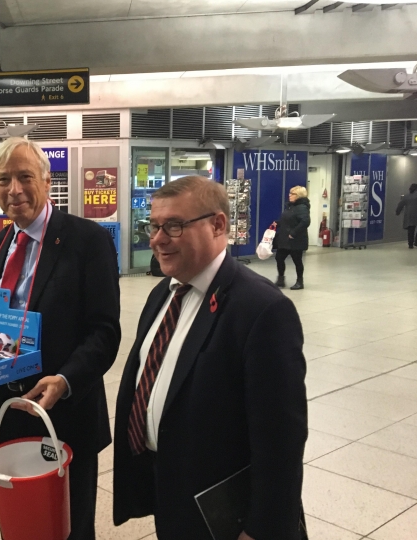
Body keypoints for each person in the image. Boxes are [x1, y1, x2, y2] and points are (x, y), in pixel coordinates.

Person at [112, 176, 307, 540]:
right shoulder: (162, 296)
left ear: (218, 225)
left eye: (173, 225)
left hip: (224, 512)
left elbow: (281, 442)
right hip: (172, 492)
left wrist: (263, 531)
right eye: (153, 226)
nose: (156, 239)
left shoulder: (262, 310)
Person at [0, 137, 121, 540]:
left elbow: (105, 331)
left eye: (24, 177)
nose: (14, 190)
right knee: (20, 520)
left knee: (67, 525)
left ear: (47, 179)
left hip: (62, 408)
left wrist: (65, 380)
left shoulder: (87, 240)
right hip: (6, 404)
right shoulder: (1, 242)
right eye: (3, 180)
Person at [274, 185, 311, 290]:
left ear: (298, 195)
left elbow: (305, 222)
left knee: (297, 260)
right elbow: (288, 220)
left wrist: (293, 233)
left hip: (296, 239)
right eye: (290, 193)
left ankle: (300, 282)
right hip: (285, 239)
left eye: (292, 194)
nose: (289, 195)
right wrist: (277, 223)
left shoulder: (302, 207)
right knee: (279, 258)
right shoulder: (291, 206)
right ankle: (280, 280)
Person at [396, 183, 417, 248]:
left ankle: (410, 244)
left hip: (409, 215)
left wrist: (397, 211)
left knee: (411, 230)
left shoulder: (406, 196)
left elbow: (400, 204)